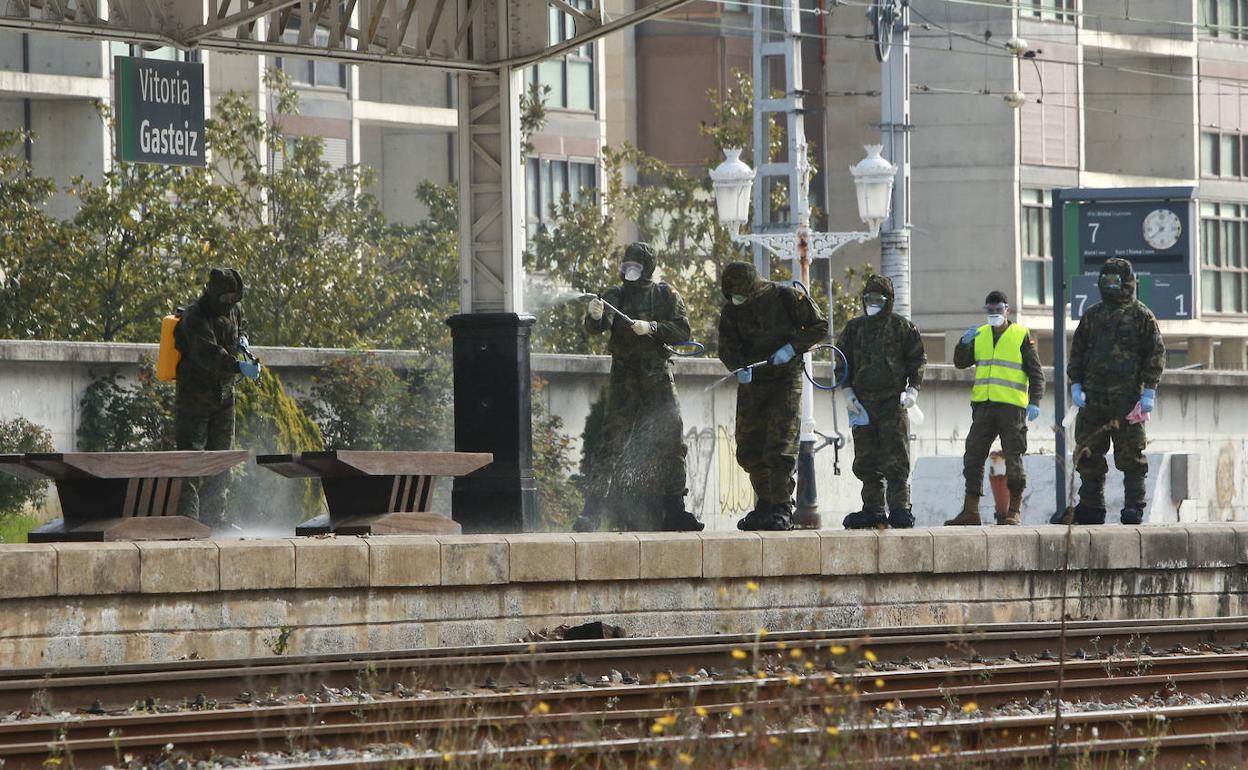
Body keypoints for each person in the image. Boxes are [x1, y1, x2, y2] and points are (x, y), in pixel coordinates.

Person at [574, 242, 703, 532]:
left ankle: (675, 509)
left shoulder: (666, 295)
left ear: (647, 268)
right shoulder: (614, 295)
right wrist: (594, 316)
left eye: (636, 265)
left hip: (657, 377)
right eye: (627, 265)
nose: (629, 270)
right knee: (611, 442)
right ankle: (592, 511)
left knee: (672, 441)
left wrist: (652, 327)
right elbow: (596, 328)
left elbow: (682, 330)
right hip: (624, 378)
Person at [718, 261, 828, 531]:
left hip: (784, 381)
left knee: (780, 446)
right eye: (733, 295)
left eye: (741, 294)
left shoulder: (786, 297)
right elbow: (727, 346)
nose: (738, 299)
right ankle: (765, 504)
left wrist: (791, 348)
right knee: (749, 445)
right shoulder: (731, 310)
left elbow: (819, 326)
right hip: (753, 383)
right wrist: (737, 367)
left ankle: (782, 507)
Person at [1060, 257, 1165, 525]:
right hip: (1093, 399)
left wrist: (1149, 390)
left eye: (1115, 280)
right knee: (1088, 453)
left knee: (1131, 455)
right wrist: (1076, 383)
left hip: (1128, 400)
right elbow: (1078, 352)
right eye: (1105, 280)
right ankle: (1091, 506)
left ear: (1126, 282)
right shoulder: (1092, 316)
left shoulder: (1142, 316)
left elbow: (1155, 354)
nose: (1110, 285)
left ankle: (1133, 506)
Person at [945, 290, 1045, 527]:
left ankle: (1014, 510)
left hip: (1012, 408)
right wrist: (963, 343)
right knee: (973, 455)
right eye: (989, 310)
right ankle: (971, 510)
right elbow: (960, 363)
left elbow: (1036, 373)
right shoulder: (980, 334)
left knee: (1013, 457)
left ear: (1007, 310)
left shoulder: (1020, 335)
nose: (993, 314)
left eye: (998, 310)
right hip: (984, 406)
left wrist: (1035, 401)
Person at [174, 267, 260, 529]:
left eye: (235, 299)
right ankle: (188, 520)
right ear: (214, 293)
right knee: (192, 459)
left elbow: (241, 323)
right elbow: (209, 353)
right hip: (195, 397)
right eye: (226, 299)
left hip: (223, 394)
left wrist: (243, 339)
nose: (230, 304)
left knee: (221, 458)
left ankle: (215, 519)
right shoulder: (195, 316)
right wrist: (238, 367)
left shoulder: (233, 310)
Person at [839, 275, 926, 530]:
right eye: (869, 299)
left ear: (888, 301)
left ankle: (900, 508)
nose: (872, 304)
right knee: (866, 460)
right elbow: (842, 362)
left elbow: (917, 359)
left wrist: (913, 389)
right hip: (863, 403)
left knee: (896, 459)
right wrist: (848, 392)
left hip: (892, 403)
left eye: (878, 299)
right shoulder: (854, 329)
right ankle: (873, 509)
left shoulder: (902, 328)